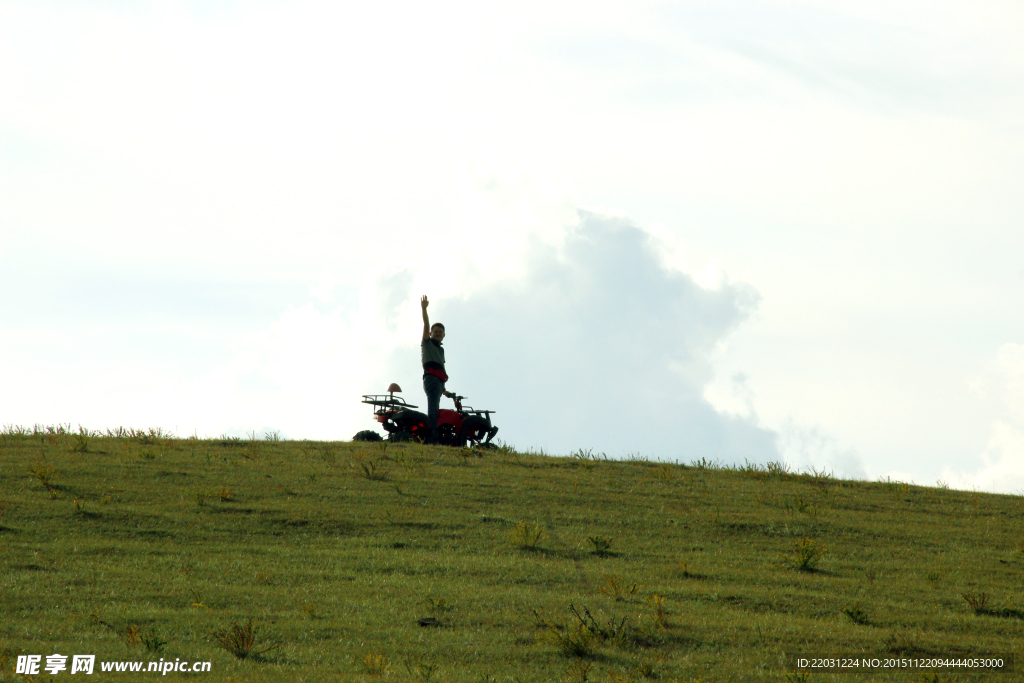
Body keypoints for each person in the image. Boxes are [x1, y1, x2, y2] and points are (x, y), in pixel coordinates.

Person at [420, 295, 453, 444]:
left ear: (444, 335)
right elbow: (426, 325)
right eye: (436, 331)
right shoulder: (427, 343)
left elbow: (442, 369)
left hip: (438, 382)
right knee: (433, 410)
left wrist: (444, 390)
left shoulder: (440, 350)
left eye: (441, 332)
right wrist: (424, 309)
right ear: (431, 334)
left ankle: (434, 436)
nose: (438, 333)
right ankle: (432, 438)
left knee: (436, 409)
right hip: (432, 380)